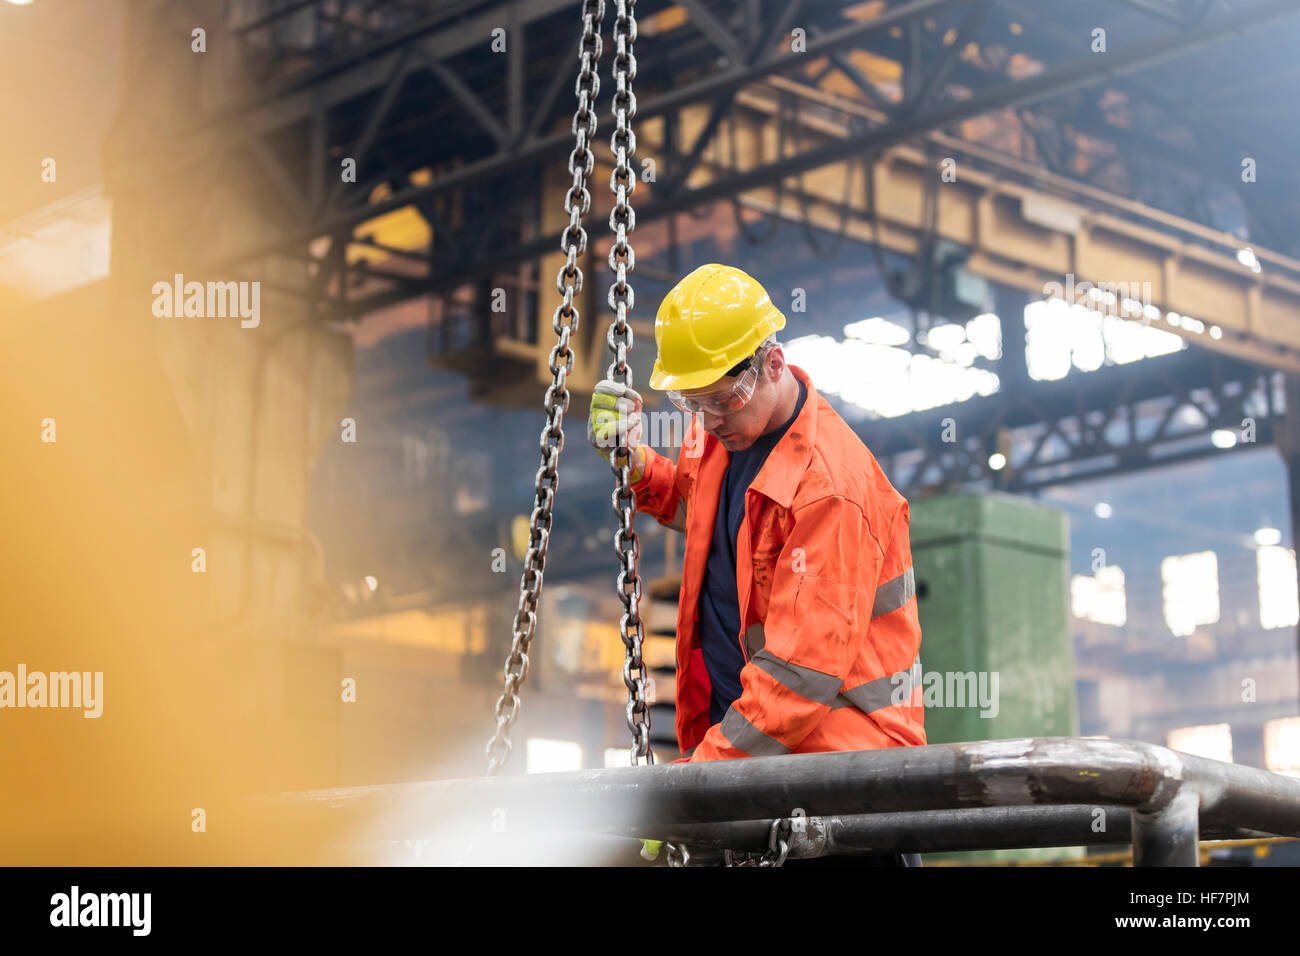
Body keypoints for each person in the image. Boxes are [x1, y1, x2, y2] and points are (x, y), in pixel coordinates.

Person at [588, 263, 925, 865]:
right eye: (692, 402)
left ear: (773, 364)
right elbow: (705, 515)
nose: (710, 418)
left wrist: (694, 785)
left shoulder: (831, 489)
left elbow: (799, 678)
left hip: (840, 789)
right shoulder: (723, 431)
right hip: (757, 772)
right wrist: (636, 464)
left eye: (722, 400)